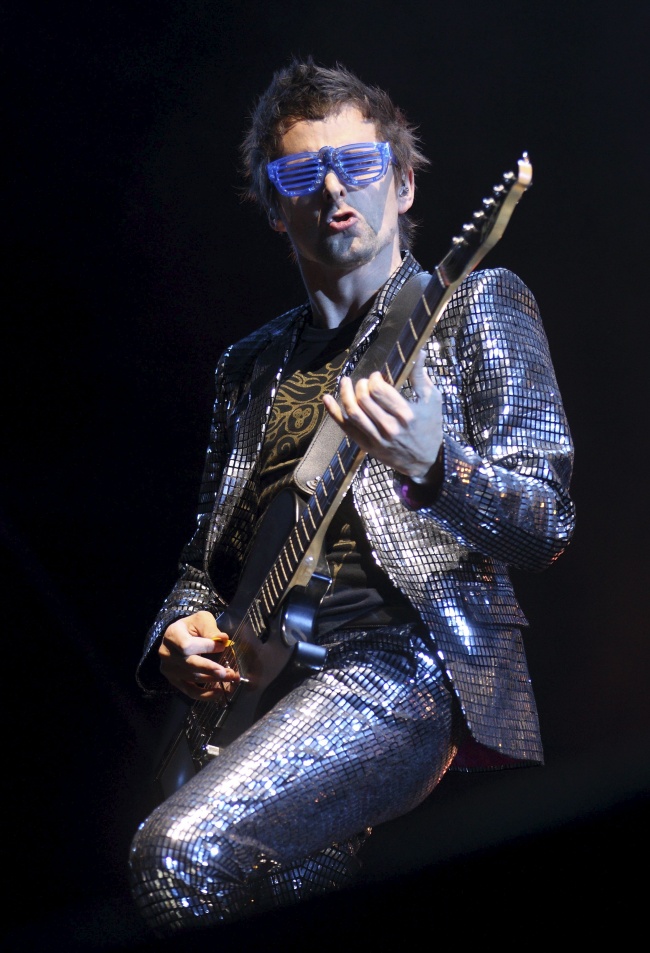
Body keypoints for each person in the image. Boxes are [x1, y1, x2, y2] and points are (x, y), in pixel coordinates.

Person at [128, 58, 575, 937]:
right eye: (301, 174)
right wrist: (173, 635)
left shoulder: (477, 304)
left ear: (401, 185)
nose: (333, 188)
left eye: (359, 165)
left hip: (403, 662)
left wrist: (437, 467)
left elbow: (548, 519)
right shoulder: (247, 368)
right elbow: (205, 564)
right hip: (266, 694)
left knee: (176, 854)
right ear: (274, 205)